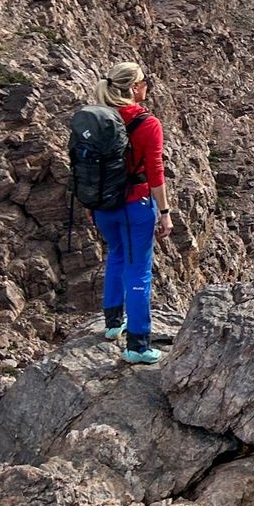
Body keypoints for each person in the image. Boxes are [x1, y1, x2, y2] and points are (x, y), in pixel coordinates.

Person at [91, 61, 171, 365]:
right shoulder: (146, 122)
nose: (147, 85)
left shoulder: (97, 117)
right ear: (135, 88)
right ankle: (137, 346)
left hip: (102, 205)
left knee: (116, 254)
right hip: (134, 205)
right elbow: (155, 171)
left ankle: (113, 325)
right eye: (144, 80)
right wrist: (164, 211)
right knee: (138, 269)